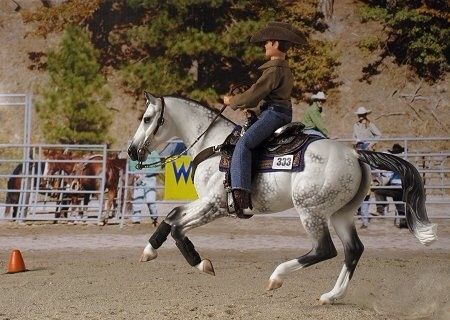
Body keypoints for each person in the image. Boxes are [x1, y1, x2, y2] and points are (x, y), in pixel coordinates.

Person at [222, 21, 305, 214]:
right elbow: (265, 97)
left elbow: (254, 94)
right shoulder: (283, 68)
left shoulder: (274, 70)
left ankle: (241, 194)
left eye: (267, 42)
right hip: (277, 111)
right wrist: (255, 109)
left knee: (244, 144)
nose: (264, 46)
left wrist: (232, 101)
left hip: (274, 113)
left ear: (276, 44)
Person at [373, 143, 406, 228]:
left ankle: (381, 209)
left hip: (395, 187)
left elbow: (389, 176)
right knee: (399, 202)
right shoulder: (403, 160)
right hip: (401, 188)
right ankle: (403, 221)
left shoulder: (395, 162)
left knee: (378, 191)